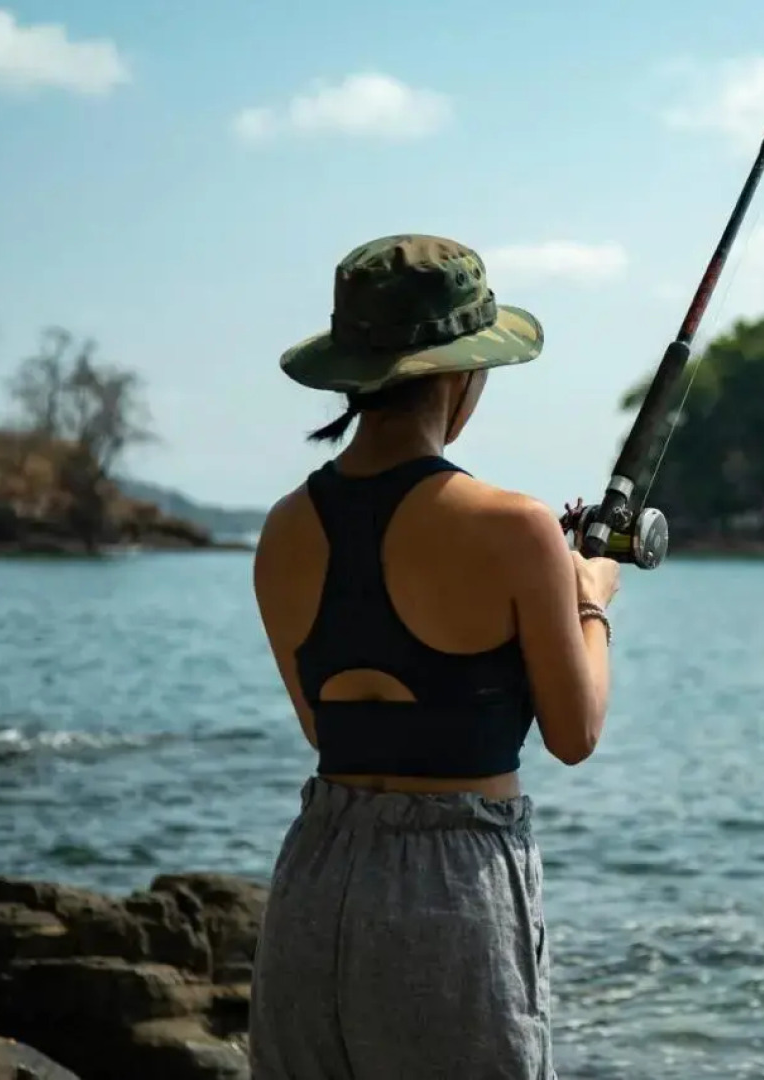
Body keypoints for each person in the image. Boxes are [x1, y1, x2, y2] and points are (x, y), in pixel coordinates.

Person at [247, 234, 619, 1079]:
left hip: (315, 874)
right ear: (461, 374)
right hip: (454, 892)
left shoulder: (283, 527)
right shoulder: (515, 525)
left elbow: (327, 730)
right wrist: (589, 595)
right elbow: (575, 731)